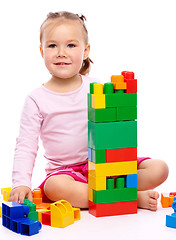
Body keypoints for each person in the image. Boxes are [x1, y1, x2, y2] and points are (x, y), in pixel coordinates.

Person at [9, 11, 169, 211]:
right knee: (55, 188)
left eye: (71, 45)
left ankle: (113, 192)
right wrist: (21, 183)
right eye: (52, 45)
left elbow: (116, 129)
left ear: (86, 51)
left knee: (159, 168)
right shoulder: (36, 99)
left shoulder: (96, 90)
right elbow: (26, 145)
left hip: (105, 164)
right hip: (66, 173)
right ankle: (129, 198)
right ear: (42, 51)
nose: (61, 52)